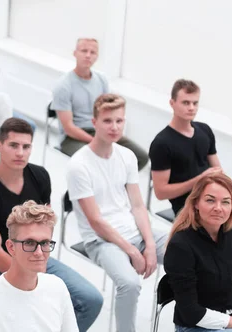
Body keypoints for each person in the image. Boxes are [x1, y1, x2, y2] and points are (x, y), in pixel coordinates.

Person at [0, 118, 103, 332]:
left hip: (33, 251)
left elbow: (45, 226)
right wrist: (35, 283)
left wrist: (41, 278)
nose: (20, 152)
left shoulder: (39, 176)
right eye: (13, 145)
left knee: (91, 300)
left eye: (26, 146)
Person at [66, 94, 167, 332]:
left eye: (119, 121)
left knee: (187, 252)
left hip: (135, 230)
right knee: (129, 284)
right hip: (101, 240)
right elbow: (95, 220)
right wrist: (133, 251)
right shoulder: (79, 164)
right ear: (94, 122)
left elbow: (138, 206)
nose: (114, 127)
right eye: (108, 121)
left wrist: (150, 245)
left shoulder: (127, 156)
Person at [149, 79, 232, 261]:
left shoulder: (204, 130)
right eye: (186, 102)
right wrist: (199, 180)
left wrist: (226, 198)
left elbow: (218, 171)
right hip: (189, 209)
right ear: (172, 103)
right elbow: (161, 192)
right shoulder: (162, 143)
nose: (191, 107)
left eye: (195, 103)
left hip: (214, 200)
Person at [164, 173, 232, 332]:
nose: (218, 208)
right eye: (210, 200)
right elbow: (191, 313)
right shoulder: (181, 246)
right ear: (196, 202)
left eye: (225, 202)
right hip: (196, 325)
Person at [0, 201, 78, 332]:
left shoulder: (57, 287)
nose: (39, 252)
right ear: (11, 247)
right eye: (29, 243)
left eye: (45, 243)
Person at [50, 38, 149, 170]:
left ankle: (119, 188)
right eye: (84, 51)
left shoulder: (101, 79)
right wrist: (98, 142)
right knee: (97, 163)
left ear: (97, 56)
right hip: (73, 138)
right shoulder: (63, 86)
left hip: (101, 130)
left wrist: (108, 137)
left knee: (141, 157)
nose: (88, 55)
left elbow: (109, 111)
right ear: (75, 53)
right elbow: (68, 128)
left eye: (93, 52)